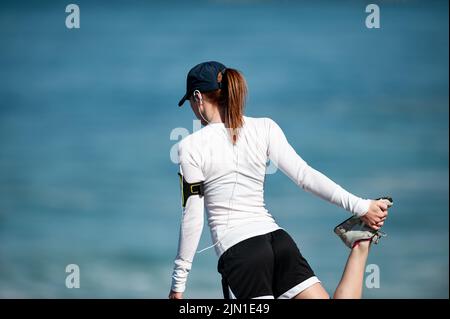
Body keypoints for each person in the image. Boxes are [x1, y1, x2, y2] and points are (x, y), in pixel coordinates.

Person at [168, 61, 390, 299]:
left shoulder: (189, 147)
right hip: (278, 242)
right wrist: (361, 206)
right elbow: (305, 176)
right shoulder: (265, 127)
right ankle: (360, 245)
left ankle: (361, 243)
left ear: (198, 97)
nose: (192, 108)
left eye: (190, 102)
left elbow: (192, 217)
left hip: (241, 253)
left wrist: (177, 285)